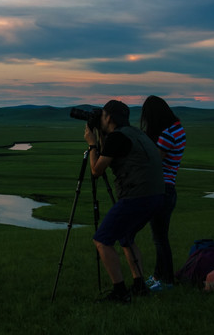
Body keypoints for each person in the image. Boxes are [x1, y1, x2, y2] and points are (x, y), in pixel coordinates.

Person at [84, 100, 164, 303]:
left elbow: (96, 170)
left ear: (108, 117)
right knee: (126, 237)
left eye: (102, 115)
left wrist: (92, 143)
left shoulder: (117, 138)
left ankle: (120, 292)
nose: (100, 119)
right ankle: (139, 285)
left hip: (137, 196)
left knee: (102, 240)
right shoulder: (136, 133)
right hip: (156, 196)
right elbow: (113, 152)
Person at [140, 95, 186, 291]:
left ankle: (166, 280)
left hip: (161, 189)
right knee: (160, 236)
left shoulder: (167, 134)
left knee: (160, 238)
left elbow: (155, 161)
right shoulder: (177, 128)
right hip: (169, 187)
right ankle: (159, 276)